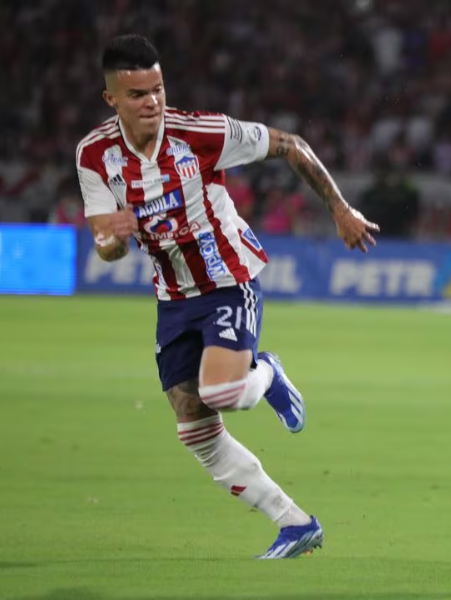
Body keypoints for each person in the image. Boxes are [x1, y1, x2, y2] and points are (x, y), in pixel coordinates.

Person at [76, 34, 379, 559]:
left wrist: (339, 208)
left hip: (227, 279)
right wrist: (114, 239)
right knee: (194, 428)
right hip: (173, 297)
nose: (152, 102)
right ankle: (295, 523)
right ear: (111, 99)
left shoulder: (201, 132)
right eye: (137, 94)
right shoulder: (94, 155)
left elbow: (291, 144)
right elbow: (105, 244)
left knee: (223, 392)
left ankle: (268, 373)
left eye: (158, 89)